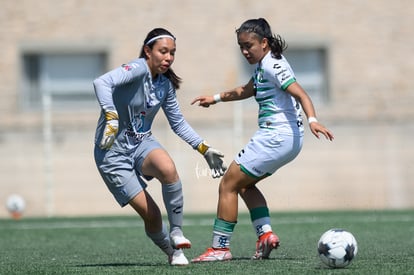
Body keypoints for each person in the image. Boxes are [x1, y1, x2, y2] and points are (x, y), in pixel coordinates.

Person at [191, 18, 334, 262]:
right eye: (241, 47)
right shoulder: (265, 65)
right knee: (245, 185)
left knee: (228, 185)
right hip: (287, 140)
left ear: (264, 43)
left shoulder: (272, 66)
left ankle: (219, 248)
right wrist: (214, 98)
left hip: (275, 137)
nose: (245, 51)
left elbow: (301, 94)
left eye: (249, 45)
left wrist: (313, 120)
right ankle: (265, 235)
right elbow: (246, 90)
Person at [93, 28, 226, 266]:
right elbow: (101, 82)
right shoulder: (136, 69)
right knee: (152, 215)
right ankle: (172, 251)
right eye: (163, 51)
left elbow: (178, 124)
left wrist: (204, 149)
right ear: (148, 51)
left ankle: (177, 232)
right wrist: (111, 116)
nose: (168, 57)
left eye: (172, 53)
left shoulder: (164, 84)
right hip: (112, 153)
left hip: (142, 142)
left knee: (167, 167)